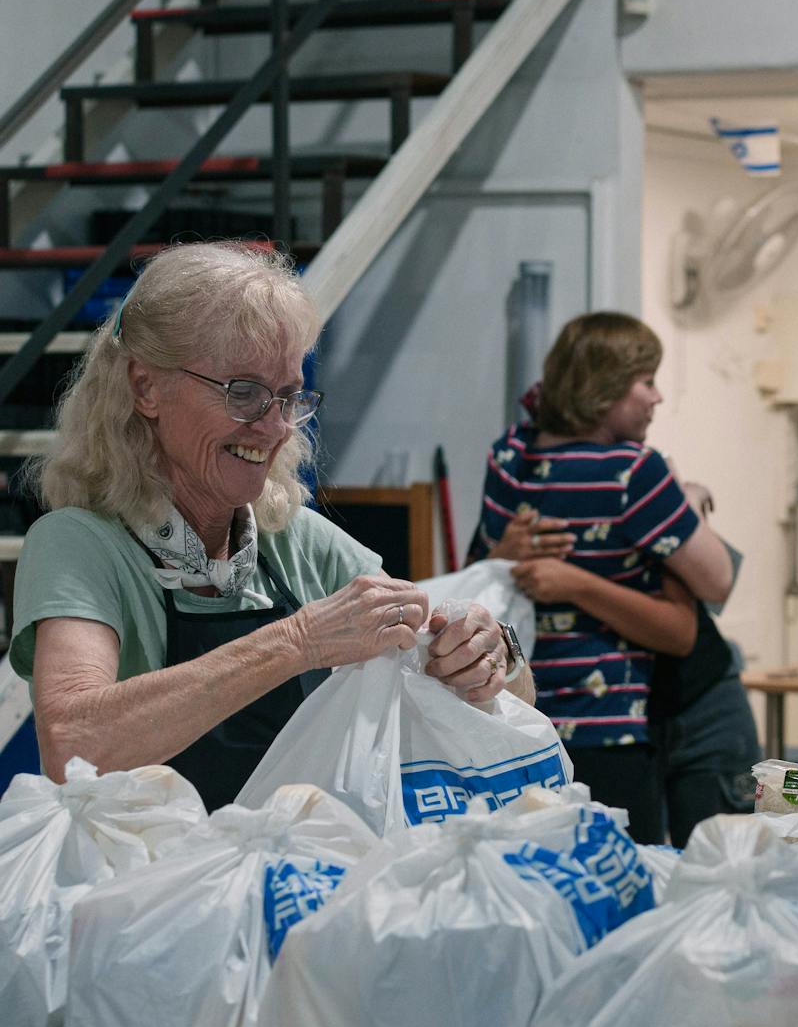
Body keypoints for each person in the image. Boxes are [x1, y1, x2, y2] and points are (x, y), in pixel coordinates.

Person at [8, 241, 527, 809]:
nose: (275, 427)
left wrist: (491, 656)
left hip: (294, 864)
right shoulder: (79, 545)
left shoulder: (298, 542)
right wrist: (297, 641)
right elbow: (74, 745)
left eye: (287, 397)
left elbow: (506, 699)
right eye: (244, 392)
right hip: (146, 866)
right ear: (145, 387)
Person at [474, 311, 732, 843]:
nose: (657, 397)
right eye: (647, 381)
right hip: (608, 720)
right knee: (622, 873)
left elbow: (479, 575)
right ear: (606, 388)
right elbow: (717, 581)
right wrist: (687, 500)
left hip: (517, 716)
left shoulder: (508, 458)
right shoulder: (635, 471)